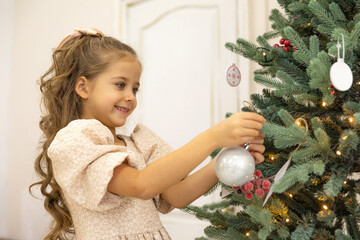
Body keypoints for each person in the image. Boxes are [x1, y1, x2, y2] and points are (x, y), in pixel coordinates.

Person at [30, 28, 266, 240]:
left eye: (135, 88)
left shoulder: (139, 144)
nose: (131, 96)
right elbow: (141, 185)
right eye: (120, 85)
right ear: (83, 87)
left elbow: (177, 196)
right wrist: (213, 137)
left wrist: (224, 159)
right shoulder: (75, 141)